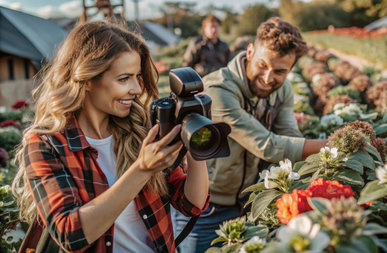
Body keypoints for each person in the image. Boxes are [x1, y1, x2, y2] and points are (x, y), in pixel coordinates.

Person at [12, 21, 209, 253]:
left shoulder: (141, 128)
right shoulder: (46, 144)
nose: (136, 89)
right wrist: (142, 169)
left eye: (137, 76)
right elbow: (69, 234)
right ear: (86, 80)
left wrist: (197, 138)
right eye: (124, 78)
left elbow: (191, 203)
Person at [173, 17, 328, 253]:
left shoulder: (282, 89)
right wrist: (333, 145)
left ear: (291, 69)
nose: (268, 78)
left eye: (279, 71)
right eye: (263, 65)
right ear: (250, 51)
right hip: (204, 207)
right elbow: (268, 146)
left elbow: (289, 135)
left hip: (246, 204)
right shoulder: (219, 89)